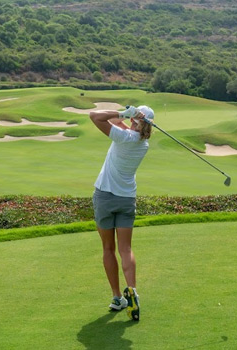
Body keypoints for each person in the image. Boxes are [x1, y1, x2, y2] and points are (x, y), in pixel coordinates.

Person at [89, 105, 154, 321]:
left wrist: (124, 113)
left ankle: (117, 297)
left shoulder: (124, 138)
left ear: (137, 120)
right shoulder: (143, 144)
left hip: (105, 197)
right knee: (126, 249)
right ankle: (132, 290)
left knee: (109, 249)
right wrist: (129, 117)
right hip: (127, 199)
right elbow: (121, 126)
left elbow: (95, 116)